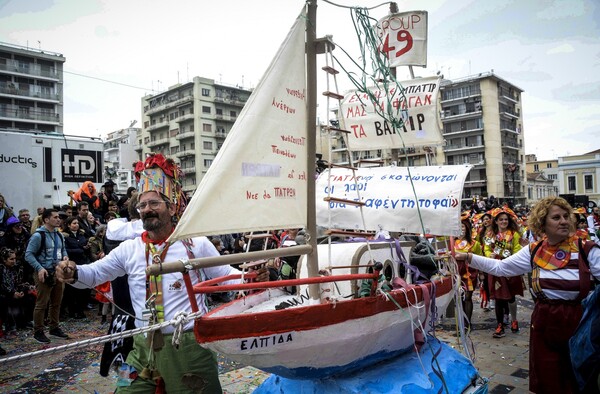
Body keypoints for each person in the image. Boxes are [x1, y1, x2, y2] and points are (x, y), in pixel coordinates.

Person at [56, 153, 269, 393]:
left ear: (171, 206)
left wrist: (250, 278)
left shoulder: (195, 244)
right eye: (143, 205)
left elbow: (225, 275)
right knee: (125, 390)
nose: (147, 209)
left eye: (154, 203)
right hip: (141, 346)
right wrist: (73, 272)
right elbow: (94, 274)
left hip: (187, 347)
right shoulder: (129, 248)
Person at [456, 196, 600, 394]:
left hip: (579, 324)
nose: (564, 221)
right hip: (544, 323)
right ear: (542, 223)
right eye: (556, 217)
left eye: (566, 216)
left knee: (579, 381)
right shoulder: (534, 251)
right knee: (548, 382)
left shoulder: (587, 250)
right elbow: (501, 267)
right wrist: (468, 257)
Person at [24, 209, 70, 343]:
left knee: (56, 302)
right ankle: (38, 331)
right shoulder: (39, 236)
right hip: (44, 272)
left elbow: (62, 249)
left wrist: (65, 256)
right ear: (46, 220)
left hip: (58, 272)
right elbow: (29, 254)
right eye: (55, 217)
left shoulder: (59, 235)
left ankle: (54, 327)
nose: (58, 220)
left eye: (59, 217)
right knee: (41, 304)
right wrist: (39, 268)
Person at [484, 207, 523, 338]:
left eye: (506, 219)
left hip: (510, 267)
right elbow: (487, 249)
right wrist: (490, 255)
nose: (504, 221)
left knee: (511, 297)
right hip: (495, 268)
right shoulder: (490, 235)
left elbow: (517, 249)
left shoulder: (514, 235)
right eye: (501, 219)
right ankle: (499, 325)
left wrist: (510, 258)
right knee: (498, 297)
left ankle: (514, 320)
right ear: (495, 221)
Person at [453, 216, 482, 330]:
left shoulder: (474, 244)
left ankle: (467, 323)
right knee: (459, 298)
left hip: (470, 273)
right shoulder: (452, 242)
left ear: (467, 228)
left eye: (463, 226)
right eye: (458, 226)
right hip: (456, 273)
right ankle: (461, 322)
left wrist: (481, 273)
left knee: (468, 297)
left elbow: (479, 259)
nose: (461, 229)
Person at [62, 216, 91, 319]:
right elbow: (66, 250)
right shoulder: (65, 236)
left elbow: (86, 247)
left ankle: (80, 309)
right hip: (72, 264)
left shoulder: (82, 235)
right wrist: (80, 249)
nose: (76, 225)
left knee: (82, 288)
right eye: (74, 223)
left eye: (77, 223)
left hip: (82, 263)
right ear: (69, 225)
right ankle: (72, 310)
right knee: (72, 290)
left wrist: (86, 248)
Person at [0, 247, 35, 332]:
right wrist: (12, 293)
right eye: (11, 259)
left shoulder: (16, 268)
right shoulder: (1, 269)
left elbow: (19, 282)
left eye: (15, 258)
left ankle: (24, 322)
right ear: (4, 260)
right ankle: (9, 324)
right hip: (4, 294)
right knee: (5, 300)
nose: (14, 261)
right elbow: (2, 286)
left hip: (14, 292)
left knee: (30, 297)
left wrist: (22, 290)